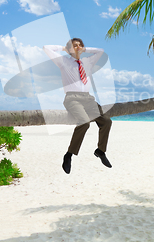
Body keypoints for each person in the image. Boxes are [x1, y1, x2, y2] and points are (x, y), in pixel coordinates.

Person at [43, 38, 112, 174]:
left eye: (80, 45)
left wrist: (84, 50)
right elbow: (46, 47)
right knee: (84, 123)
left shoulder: (88, 61)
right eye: (75, 46)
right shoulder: (63, 61)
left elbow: (101, 51)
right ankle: (69, 155)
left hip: (88, 99)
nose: (78, 47)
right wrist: (64, 48)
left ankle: (100, 151)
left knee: (106, 122)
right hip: (72, 98)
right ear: (69, 49)